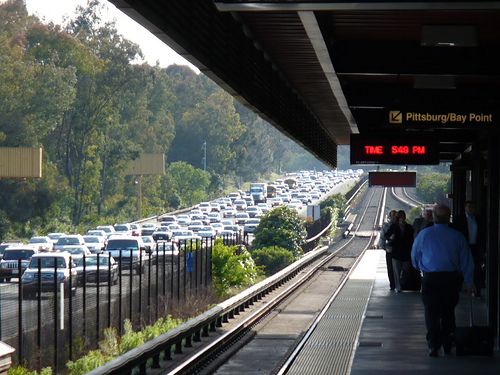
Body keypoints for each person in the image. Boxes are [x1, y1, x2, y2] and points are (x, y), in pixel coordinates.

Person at [411, 204, 474, 357]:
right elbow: (467, 260)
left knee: (431, 312)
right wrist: (468, 281)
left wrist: (420, 267)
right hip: (451, 279)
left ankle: (433, 344)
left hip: (430, 278)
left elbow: (414, 255)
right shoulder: (457, 236)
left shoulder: (424, 235)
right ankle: (447, 342)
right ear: (449, 217)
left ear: (433, 217)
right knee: (448, 311)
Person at [452, 201, 485, 297]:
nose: (471, 209)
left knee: (476, 268)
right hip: (463, 247)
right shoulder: (459, 219)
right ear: (465, 208)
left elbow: (482, 234)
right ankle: (460, 290)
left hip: (475, 247)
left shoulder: (478, 219)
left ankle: (476, 290)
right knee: (462, 267)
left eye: (473, 207)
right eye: (469, 207)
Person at [385, 210, 414, 292]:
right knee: (396, 272)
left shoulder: (409, 227)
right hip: (396, 252)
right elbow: (386, 235)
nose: (401, 218)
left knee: (406, 270)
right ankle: (398, 287)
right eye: (399, 217)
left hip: (406, 252)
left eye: (402, 216)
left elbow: (412, 238)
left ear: (404, 217)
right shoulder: (394, 226)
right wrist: (391, 238)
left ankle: (402, 283)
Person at [378, 210, 397, 290]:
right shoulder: (386, 226)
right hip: (389, 250)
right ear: (390, 217)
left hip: (399, 250)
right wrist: (385, 248)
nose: (394, 217)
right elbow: (382, 238)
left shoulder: (400, 225)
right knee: (390, 267)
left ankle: (398, 283)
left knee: (397, 268)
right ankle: (392, 284)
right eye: (393, 216)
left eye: (395, 216)